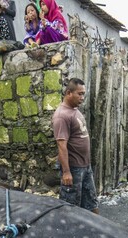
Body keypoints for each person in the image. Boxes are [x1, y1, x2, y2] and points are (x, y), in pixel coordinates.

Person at [53, 77, 99, 214]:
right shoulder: (61, 116)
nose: (82, 97)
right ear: (68, 93)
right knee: (70, 208)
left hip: (85, 166)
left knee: (91, 202)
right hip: (73, 169)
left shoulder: (75, 110)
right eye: (80, 94)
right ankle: (67, 234)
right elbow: (61, 145)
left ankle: (98, 232)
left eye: (83, 93)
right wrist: (66, 172)